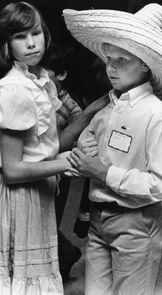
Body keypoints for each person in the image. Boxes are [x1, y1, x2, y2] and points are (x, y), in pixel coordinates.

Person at [63, 3, 162, 294]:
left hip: (136, 222)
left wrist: (102, 171)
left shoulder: (158, 116)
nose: (111, 66)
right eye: (109, 57)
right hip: (98, 219)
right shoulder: (106, 108)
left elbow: (161, 185)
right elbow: (84, 150)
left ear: (146, 64)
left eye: (122, 59)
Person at [0, 2, 77, 294]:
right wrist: (67, 162)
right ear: (7, 43)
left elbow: (48, 146)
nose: (32, 43)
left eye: (36, 33)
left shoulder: (37, 81)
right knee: (21, 284)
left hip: (38, 194)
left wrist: (92, 112)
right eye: (20, 36)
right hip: (18, 199)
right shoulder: (15, 90)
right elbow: (12, 170)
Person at [45, 44, 109, 281]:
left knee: (50, 224)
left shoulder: (72, 108)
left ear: (61, 75)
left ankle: (64, 258)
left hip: (58, 178)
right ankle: (66, 254)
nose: (39, 78)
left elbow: (69, 145)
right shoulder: (36, 96)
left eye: (45, 73)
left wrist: (89, 112)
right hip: (37, 171)